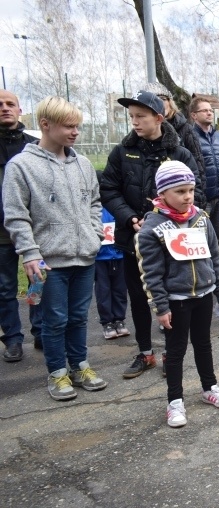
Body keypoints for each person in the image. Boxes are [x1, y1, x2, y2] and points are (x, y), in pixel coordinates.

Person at [3, 96, 107, 400]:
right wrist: (30, 252)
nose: (75, 132)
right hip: (48, 261)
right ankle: (57, 372)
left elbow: (94, 202)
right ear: (45, 125)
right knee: (54, 319)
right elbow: (16, 215)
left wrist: (94, 234)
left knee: (79, 317)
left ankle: (80, 365)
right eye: (68, 126)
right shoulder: (21, 166)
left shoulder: (83, 164)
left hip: (84, 256)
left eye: (77, 126)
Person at [100, 90, 201, 379]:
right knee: (139, 297)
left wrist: (166, 221)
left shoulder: (179, 153)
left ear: (158, 118)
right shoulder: (122, 152)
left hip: (171, 242)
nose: (134, 122)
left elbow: (195, 193)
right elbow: (109, 189)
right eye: (132, 116)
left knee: (170, 297)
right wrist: (129, 217)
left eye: (141, 116)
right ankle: (145, 353)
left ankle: (171, 354)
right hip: (132, 240)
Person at [135, 161, 219, 428]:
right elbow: (151, 272)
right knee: (175, 351)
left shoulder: (201, 218)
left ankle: (209, 387)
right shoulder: (152, 227)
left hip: (204, 294)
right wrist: (161, 306)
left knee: (203, 344)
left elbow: (214, 256)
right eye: (180, 191)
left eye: (190, 190)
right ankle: (175, 401)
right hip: (176, 301)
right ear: (162, 193)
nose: (187, 196)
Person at [0, 89, 42, 362]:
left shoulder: (34, 146)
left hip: (35, 230)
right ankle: (13, 339)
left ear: (19, 110)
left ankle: (41, 331)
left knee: (38, 281)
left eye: (10, 104)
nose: (5, 108)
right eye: (0, 105)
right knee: (4, 288)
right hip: (1, 234)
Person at [141, 82, 207, 208]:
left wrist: (196, 204)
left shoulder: (185, 129)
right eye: (154, 99)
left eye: (162, 98)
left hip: (181, 204)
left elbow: (198, 168)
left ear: (170, 102)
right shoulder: (138, 134)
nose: (159, 103)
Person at [190, 96, 219, 242]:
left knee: (216, 238)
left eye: (211, 110)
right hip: (200, 197)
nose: (209, 113)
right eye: (204, 110)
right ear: (194, 115)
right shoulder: (189, 137)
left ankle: (216, 258)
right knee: (200, 238)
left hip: (218, 194)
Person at [95, 204, 130, 340]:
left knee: (120, 289)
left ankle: (119, 320)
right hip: (100, 257)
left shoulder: (118, 206)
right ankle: (107, 323)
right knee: (103, 291)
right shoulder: (95, 207)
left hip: (120, 255)